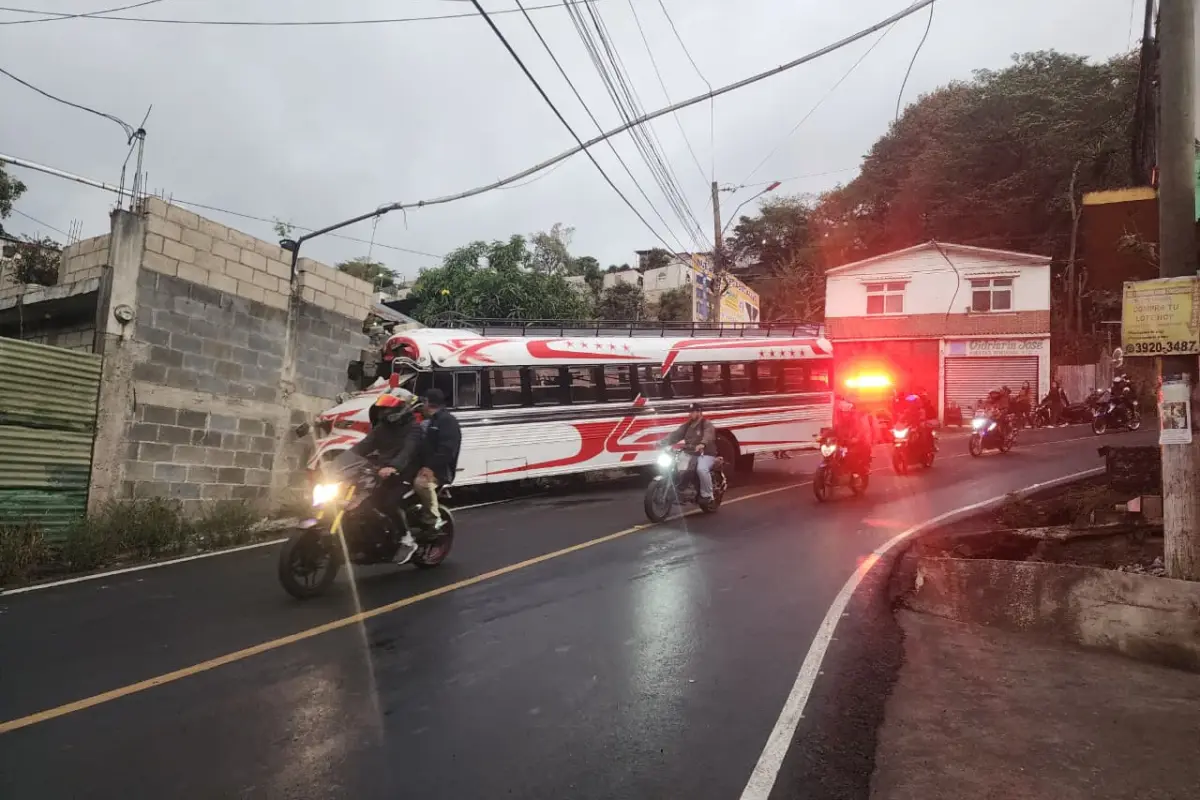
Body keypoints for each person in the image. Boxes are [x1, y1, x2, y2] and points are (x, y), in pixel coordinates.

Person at [351, 389, 426, 563]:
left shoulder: (413, 429)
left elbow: (407, 452)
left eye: (389, 409)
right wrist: (334, 464)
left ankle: (407, 539)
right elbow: (362, 447)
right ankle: (371, 540)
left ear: (402, 409)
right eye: (383, 409)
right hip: (381, 473)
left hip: (404, 473)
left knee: (388, 503)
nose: (385, 412)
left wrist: (393, 466)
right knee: (362, 503)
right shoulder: (382, 428)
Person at [409, 387, 462, 536]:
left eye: (423, 402)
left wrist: (430, 467)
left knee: (421, 484)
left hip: (440, 470)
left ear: (427, 402)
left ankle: (434, 520)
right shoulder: (430, 421)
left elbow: (447, 450)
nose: (421, 407)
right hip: (423, 466)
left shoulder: (447, 421)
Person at [662, 403, 717, 503]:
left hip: (705, 453)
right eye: (689, 412)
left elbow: (708, 435)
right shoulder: (687, 426)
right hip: (691, 452)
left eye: (692, 412)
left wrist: (702, 444)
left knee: (701, 469)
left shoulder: (706, 424)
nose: (690, 414)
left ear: (699, 412)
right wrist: (661, 442)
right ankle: (682, 490)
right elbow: (675, 435)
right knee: (679, 468)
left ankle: (707, 495)